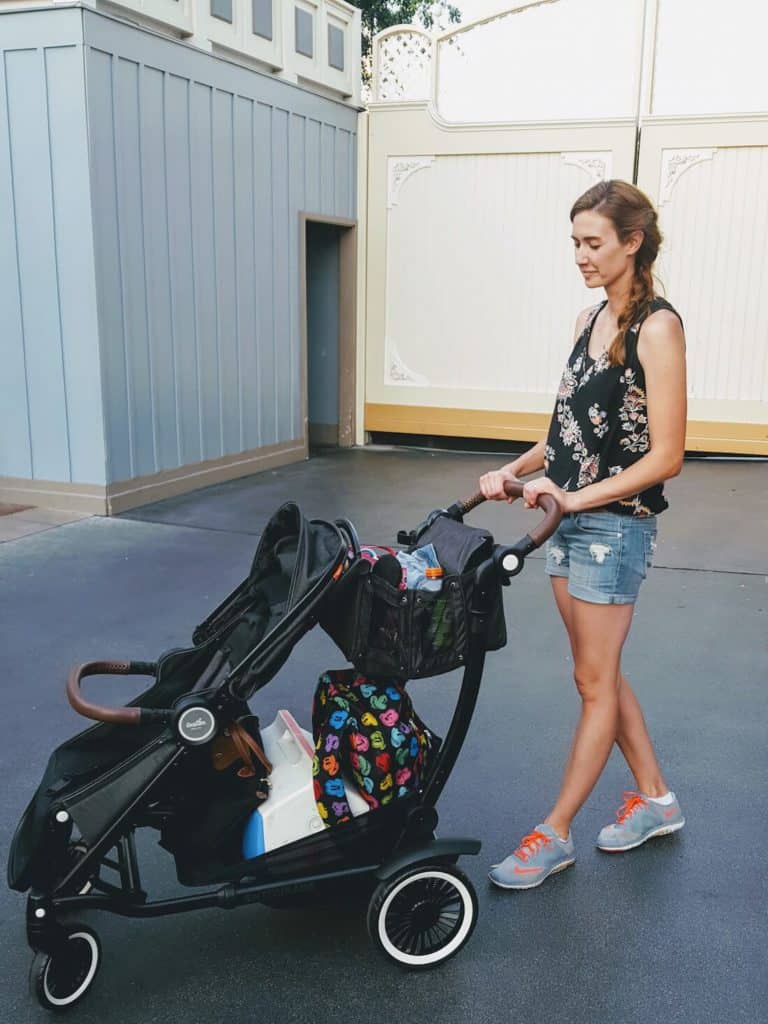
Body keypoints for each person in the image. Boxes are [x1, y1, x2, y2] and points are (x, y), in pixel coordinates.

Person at [480, 180, 687, 890]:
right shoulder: (586, 318)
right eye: (575, 242)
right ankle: (656, 800)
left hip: (614, 525)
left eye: (594, 242)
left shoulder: (656, 327)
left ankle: (554, 832)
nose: (581, 255)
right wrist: (512, 472)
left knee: (594, 682)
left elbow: (667, 455)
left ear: (632, 243)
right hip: (564, 520)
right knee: (597, 674)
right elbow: (563, 432)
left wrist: (572, 498)